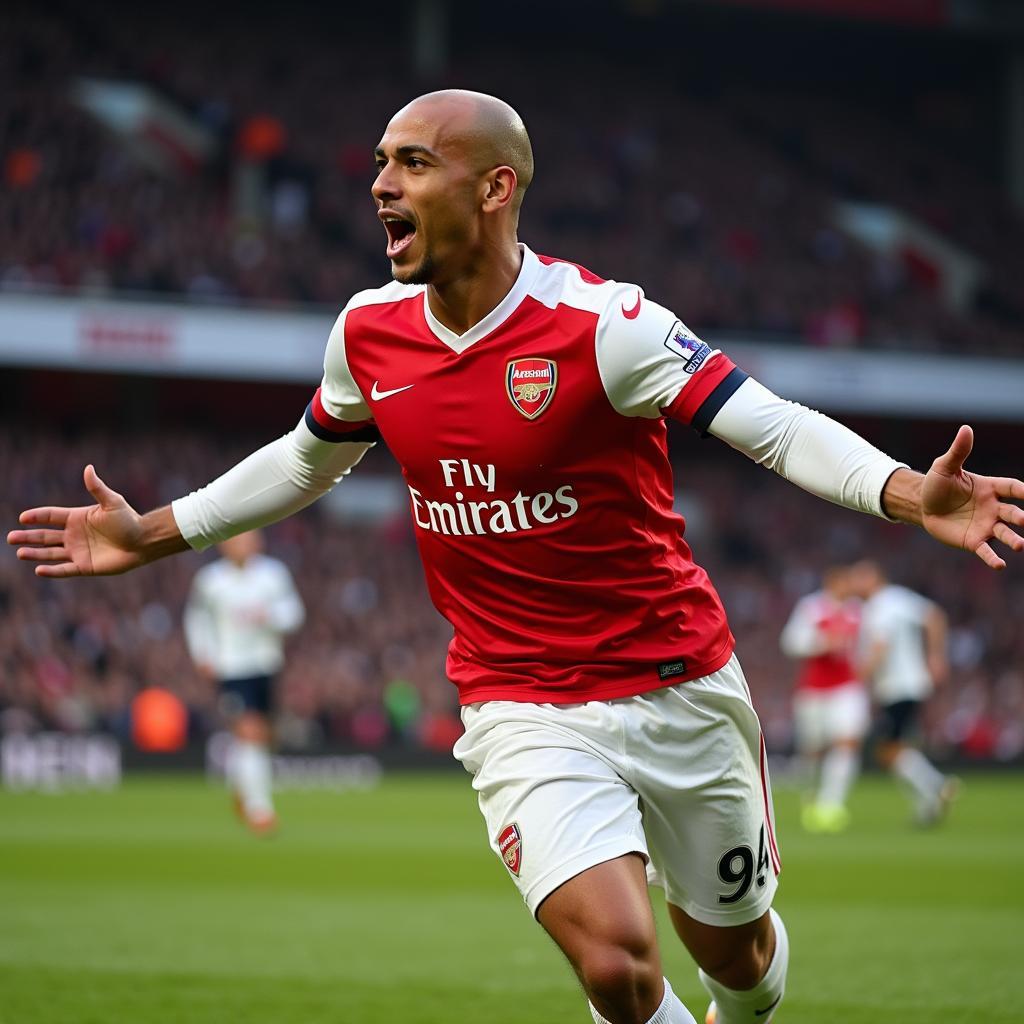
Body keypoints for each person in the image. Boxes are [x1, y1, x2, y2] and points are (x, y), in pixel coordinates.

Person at [8, 90, 1024, 1024]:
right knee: (620, 967)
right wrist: (156, 531)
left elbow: (767, 425)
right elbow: (307, 458)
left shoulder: (605, 326)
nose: (378, 185)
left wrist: (903, 491)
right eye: (377, 163)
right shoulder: (368, 332)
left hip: (679, 683)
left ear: (494, 187)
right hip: (520, 700)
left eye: (410, 164)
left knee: (741, 959)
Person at [183, 529, 305, 833]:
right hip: (231, 667)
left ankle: (242, 788)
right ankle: (259, 808)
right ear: (224, 544)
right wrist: (203, 655)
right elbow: (196, 620)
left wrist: (270, 617)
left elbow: (294, 614)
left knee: (263, 734)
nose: (244, 544)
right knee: (250, 730)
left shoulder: (273, 574)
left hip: (266, 663)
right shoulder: (210, 581)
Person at [849, 560, 957, 826]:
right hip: (906, 684)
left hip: (900, 686)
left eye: (860, 576)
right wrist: (935, 656)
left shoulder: (881, 605)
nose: (855, 583)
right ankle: (929, 804)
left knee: (888, 748)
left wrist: (859, 676)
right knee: (896, 747)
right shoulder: (897, 599)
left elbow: (880, 645)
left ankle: (937, 785)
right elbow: (935, 616)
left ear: (875, 577)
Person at [779, 565, 867, 833]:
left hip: (847, 687)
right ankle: (809, 795)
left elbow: (868, 645)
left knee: (846, 742)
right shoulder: (812, 607)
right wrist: (822, 643)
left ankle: (831, 803)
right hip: (814, 690)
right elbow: (790, 642)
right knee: (812, 750)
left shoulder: (858, 610)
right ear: (831, 582)